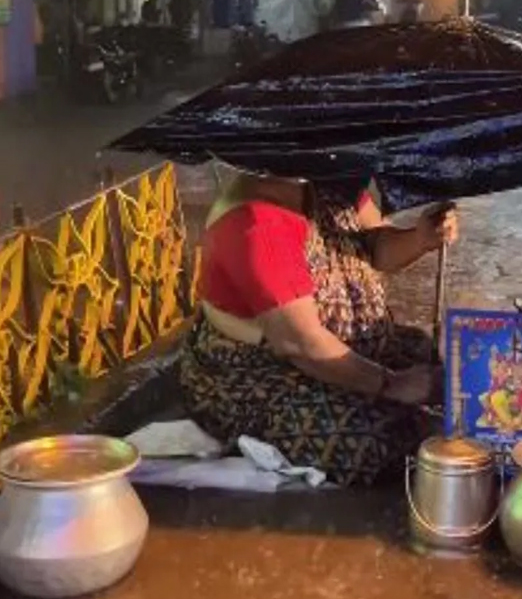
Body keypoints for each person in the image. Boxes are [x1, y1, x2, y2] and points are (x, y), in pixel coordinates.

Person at [180, 172, 459, 487]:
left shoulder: (329, 179)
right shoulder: (257, 221)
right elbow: (301, 343)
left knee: (428, 355)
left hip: (332, 347)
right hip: (268, 373)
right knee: (371, 442)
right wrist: (394, 384)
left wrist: (421, 238)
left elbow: (375, 244)